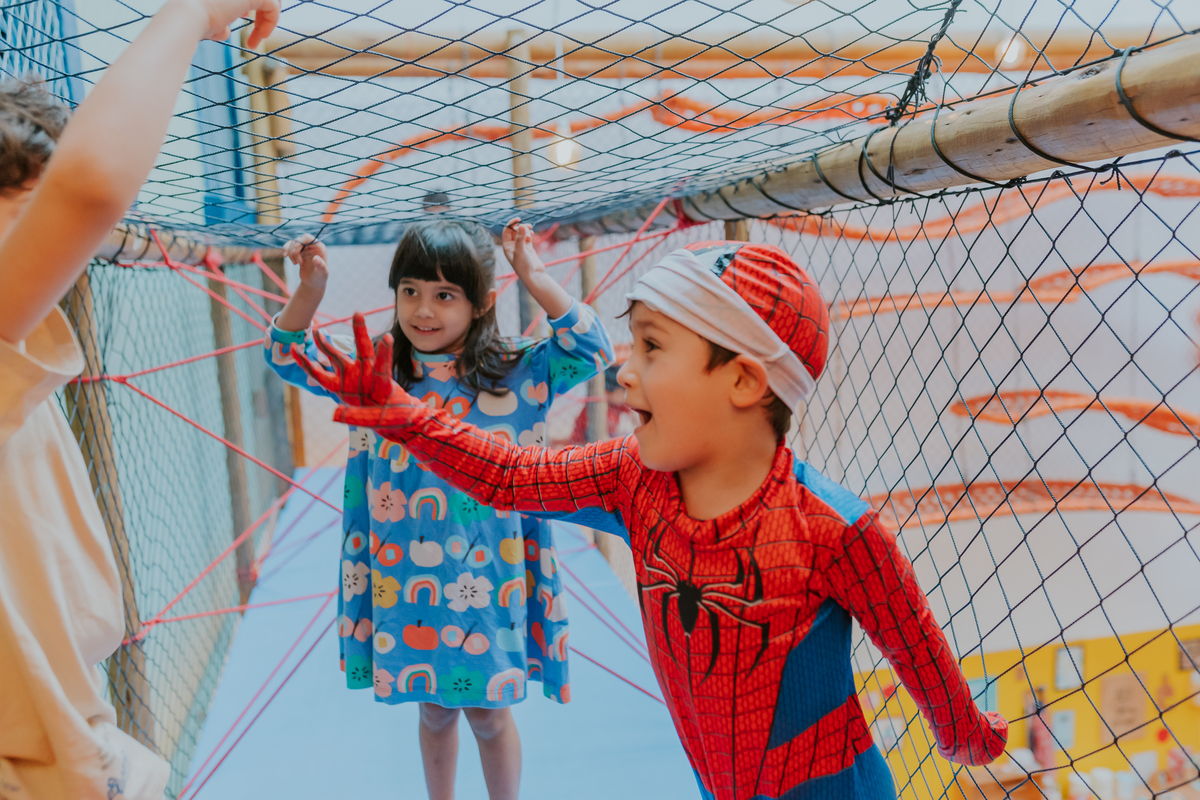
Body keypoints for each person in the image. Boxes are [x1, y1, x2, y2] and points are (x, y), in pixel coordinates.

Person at [290, 241, 1009, 800]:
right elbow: (510, 475)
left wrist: (971, 738)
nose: (625, 372)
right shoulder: (633, 479)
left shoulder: (836, 531)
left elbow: (923, 660)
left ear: (743, 380)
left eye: (653, 348)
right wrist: (405, 416)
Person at [0, 2, 280, 798]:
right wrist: (194, 13)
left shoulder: (22, 360)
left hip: (78, 736)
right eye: (22, 216)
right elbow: (90, 187)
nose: (55, 255)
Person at [264, 217, 613, 800]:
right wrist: (311, 290)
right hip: (404, 573)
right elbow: (286, 355)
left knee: (490, 714)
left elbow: (591, 347)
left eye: (445, 295)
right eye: (410, 291)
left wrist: (534, 273)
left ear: (482, 304)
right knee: (433, 709)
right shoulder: (376, 373)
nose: (423, 310)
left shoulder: (517, 371)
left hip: (491, 575)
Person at [565, 363, 639, 445]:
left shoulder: (619, 406)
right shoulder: (590, 409)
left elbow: (634, 420)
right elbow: (577, 438)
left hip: (608, 439)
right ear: (607, 392)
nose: (623, 397)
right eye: (620, 393)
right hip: (589, 442)